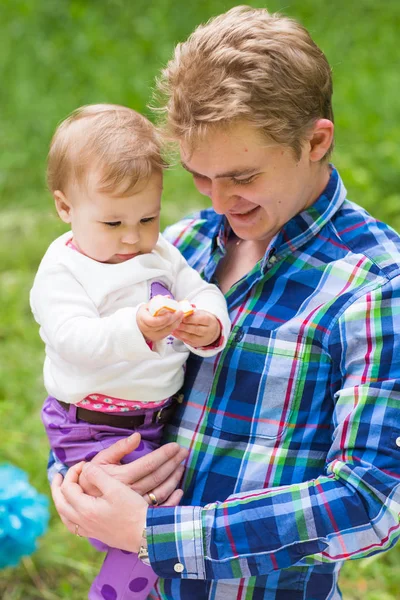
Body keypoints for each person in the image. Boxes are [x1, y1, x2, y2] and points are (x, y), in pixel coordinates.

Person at [50, 6, 400, 600]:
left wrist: (155, 533)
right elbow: (87, 380)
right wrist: (79, 480)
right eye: (198, 176)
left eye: (241, 176)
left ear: (315, 140)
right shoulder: (173, 249)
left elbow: (372, 501)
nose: (217, 202)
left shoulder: (373, 286)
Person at [30, 103, 230, 600]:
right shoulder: (63, 272)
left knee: (155, 521)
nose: (132, 238)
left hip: (152, 422)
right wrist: (134, 328)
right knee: (133, 525)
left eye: (147, 217)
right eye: (113, 222)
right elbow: (73, 340)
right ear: (65, 208)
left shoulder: (158, 251)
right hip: (90, 425)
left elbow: (200, 288)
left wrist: (209, 324)